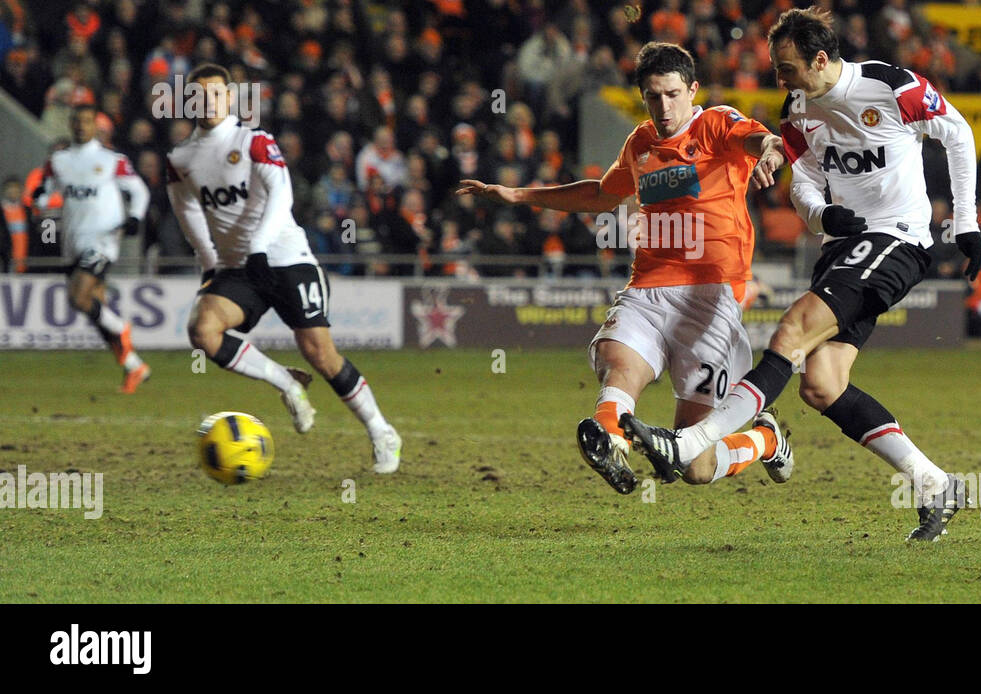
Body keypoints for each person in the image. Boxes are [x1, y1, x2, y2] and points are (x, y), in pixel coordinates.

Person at [621, 8, 981, 541]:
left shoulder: (890, 86)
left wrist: (967, 221)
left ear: (820, 60)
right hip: (844, 246)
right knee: (821, 385)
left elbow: (957, 132)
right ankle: (936, 484)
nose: (779, 79)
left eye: (786, 68)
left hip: (897, 238)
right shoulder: (799, 108)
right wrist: (820, 214)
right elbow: (804, 179)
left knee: (789, 333)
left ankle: (688, 443)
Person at [457, 41, 787, 494]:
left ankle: (765, 440)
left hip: (710, 298)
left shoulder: (715, 124)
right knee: (618, 360)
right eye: (653, 96)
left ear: (693, 90)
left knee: (694, 466)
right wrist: (519, 195)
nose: (664, 106)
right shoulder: (640, 143)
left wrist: (771, 151)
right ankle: (611, 440)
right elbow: (601, 194)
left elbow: (762, 139)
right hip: (648, 286)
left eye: (672, 94)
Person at [166, 64, 402, 473]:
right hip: (238, 268)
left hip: (287, 258)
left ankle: (382, 431)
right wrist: (210, 262)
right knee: (203, 331)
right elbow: (187, 210)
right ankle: (286, 383)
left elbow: (282, 193)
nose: (208, 102)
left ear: (230, 98)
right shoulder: (181, 158)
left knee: (321, 354)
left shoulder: (253, 139)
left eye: (216, 94)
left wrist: (259, 247)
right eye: (199, 95)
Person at [33, 104, 150, 392]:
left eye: (87, 121)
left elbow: (139, 190)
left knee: (78, 297)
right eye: (77, 121)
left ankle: (122, 328)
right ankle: (134, 365)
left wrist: (134, 216)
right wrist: (40, 196)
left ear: (96, 126)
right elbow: (44, 192)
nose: (81, 126)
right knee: (94, 308)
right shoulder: (58, 160)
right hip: (72, 241)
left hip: (103, 239)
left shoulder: (111, 159)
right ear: (71, 124)